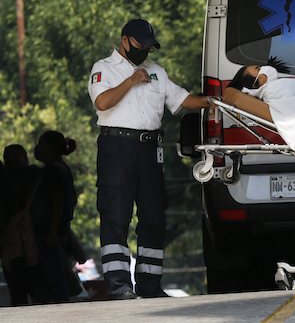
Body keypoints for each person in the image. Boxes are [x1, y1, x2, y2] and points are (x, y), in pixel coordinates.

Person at [87, 19, 210, 300]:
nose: (144, 51)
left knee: (154, 216)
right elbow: (102, 103)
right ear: (125, 40)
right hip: (116, 147)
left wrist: (212, 100)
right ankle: (119, 285)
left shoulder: (157, 72)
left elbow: (182, 101)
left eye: (149, 47)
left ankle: (150, 286)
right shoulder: (103, 68)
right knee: (116, 214)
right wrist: (131, 81)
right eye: (140, 45)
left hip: (149, 150)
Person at [31, 131, 78, 303]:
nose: (38, 147)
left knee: (55, 278)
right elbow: (72, 199)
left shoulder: (52, 170)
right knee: (53, 276)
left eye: (41, 143)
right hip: (61, 230)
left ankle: (62, 311)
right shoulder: (62, 167)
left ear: (49, 147)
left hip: (49, 232)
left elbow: (57, 201)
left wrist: (51, 231)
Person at [2, 144, 41, 305]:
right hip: (12, 237)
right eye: (10, 158)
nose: (14, 161)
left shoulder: (34, 174)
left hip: (31, 235)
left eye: (16, 156)